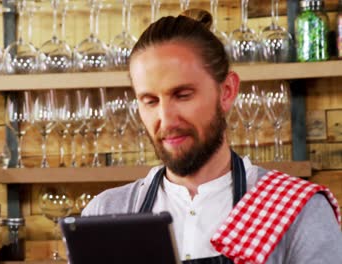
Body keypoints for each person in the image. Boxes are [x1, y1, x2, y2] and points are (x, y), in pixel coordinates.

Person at [82, 9, 342, 264]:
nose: (167, 119)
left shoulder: (298, 211)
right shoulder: (105, 214)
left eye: (183, 95)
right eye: (150, 101)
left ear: (227, 91)